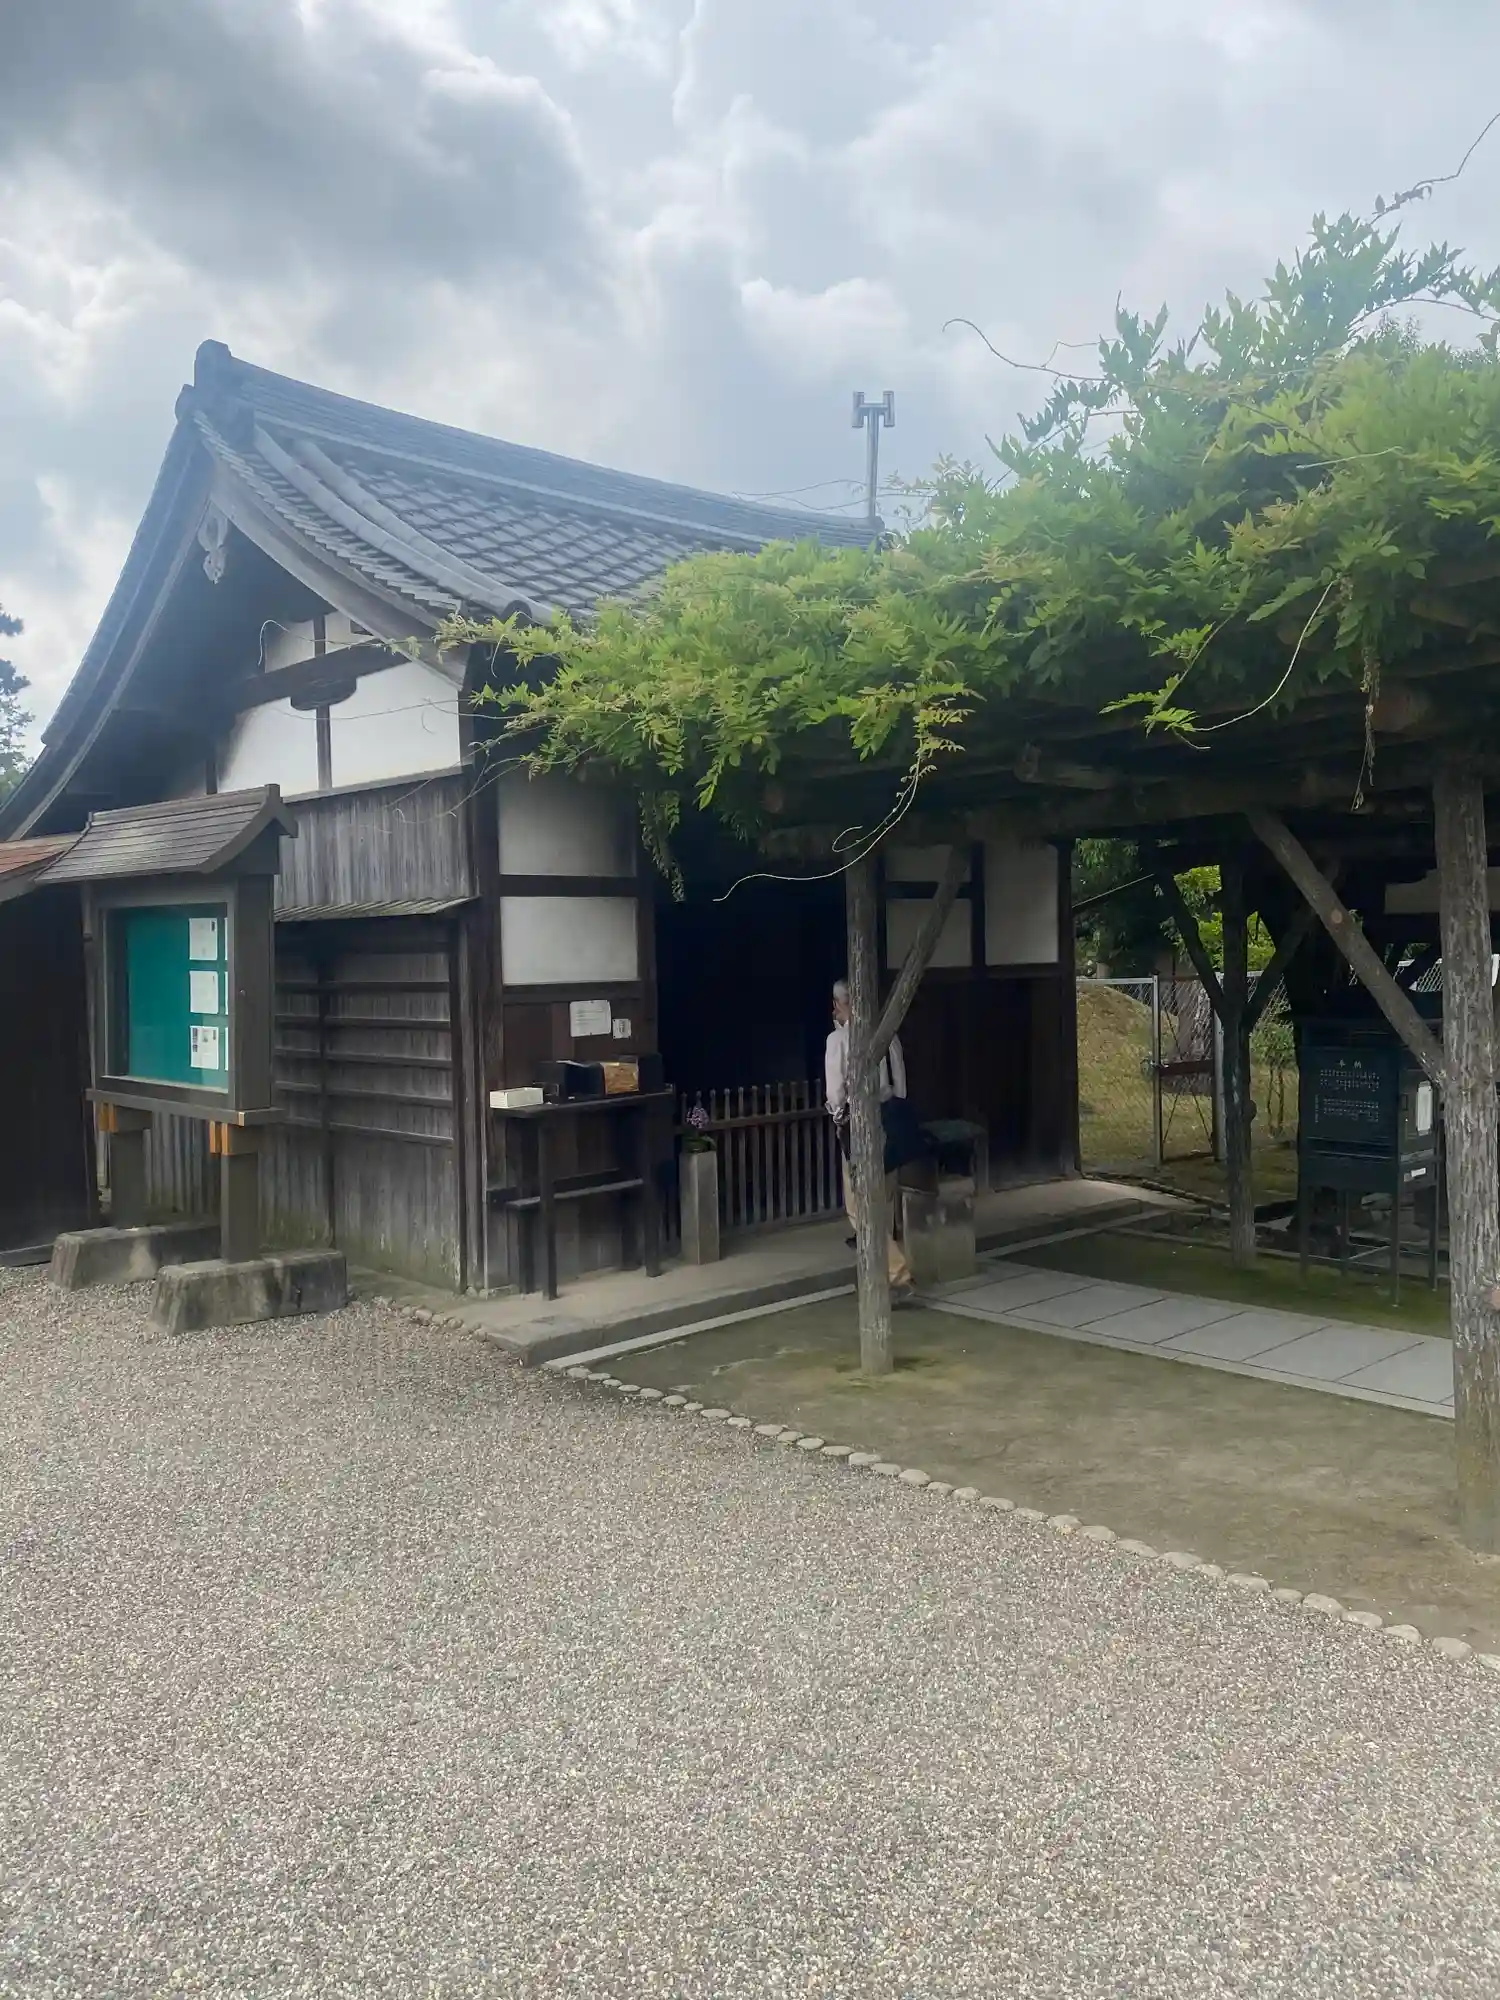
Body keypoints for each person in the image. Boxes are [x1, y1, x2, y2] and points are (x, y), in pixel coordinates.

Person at [825, 979, 913, 1299]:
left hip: (860, 1125)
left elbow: (836, 1093)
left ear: (841, 1004)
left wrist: (839, 1118)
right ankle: (881, 1276)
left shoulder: (838, 1039)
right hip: (890, 1120)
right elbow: (901, 1086)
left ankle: (897, 1274)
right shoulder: (888, 1036)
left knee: (859, 1207)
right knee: (885, 1202)